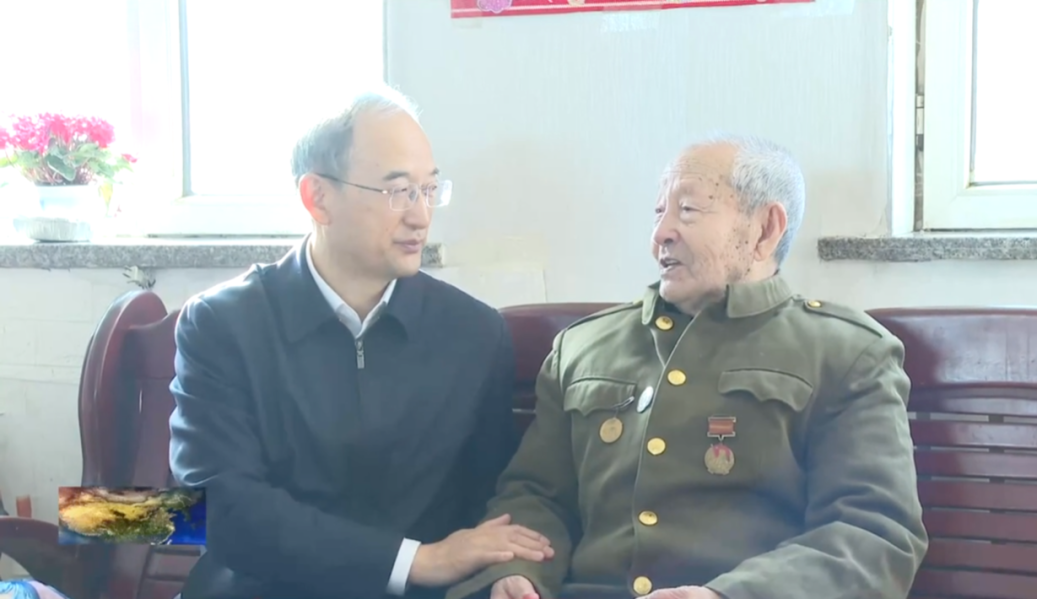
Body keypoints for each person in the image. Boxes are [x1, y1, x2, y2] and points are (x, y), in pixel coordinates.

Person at [447, 134, 928, 599]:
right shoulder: (583, 347)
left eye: (688, 210)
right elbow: (537, 496)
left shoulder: (846, 353)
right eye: (659, 212)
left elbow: (873, 532)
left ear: (765, 229)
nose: (661, 233)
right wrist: (518, 573)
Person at [168, 87, 552, 599]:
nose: (420, 216)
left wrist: (507, 573)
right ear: (318, 198)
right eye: (398, 191)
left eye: (429, 189)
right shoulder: (223, 325)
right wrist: (417, 560)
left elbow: (493, 500)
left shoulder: (474, 333)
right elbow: (222, 509)